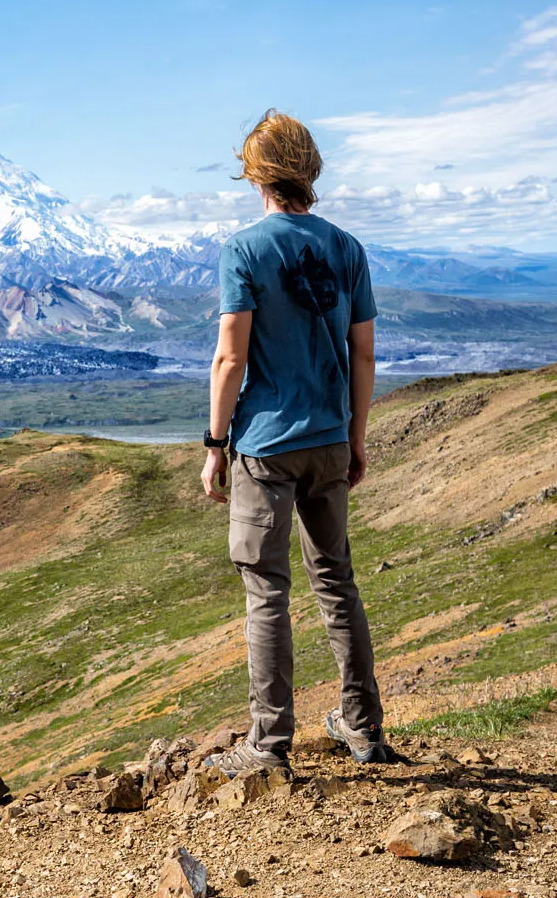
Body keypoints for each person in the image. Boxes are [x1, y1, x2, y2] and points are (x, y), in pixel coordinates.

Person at [199, 109, 389, 773]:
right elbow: (363, 355)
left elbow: (231, 357)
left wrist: (215, 443)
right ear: (309, 171)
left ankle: (269, 744)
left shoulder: (245, 250)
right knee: (337, 581)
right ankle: (363, 729)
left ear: (257, 175)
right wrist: (355, 437)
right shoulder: (347, 248)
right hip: (330, 437)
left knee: (267, 592)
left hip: (266, 444)